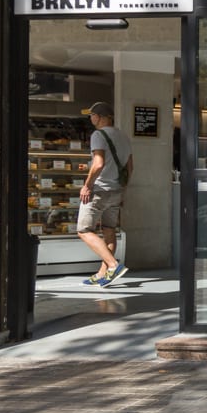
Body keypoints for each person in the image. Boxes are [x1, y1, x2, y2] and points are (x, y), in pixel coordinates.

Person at [77, 102, 132, 287]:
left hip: (99, 191)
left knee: (84, 230)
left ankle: (113, 265)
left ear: (100, 117)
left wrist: (87, 186)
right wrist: (123, 191)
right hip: (116, 191)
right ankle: (103, 274)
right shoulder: (123, 136)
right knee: (109, 230)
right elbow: (129, 167)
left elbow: (98, 163)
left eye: (92, 115)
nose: (91, 118)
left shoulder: (98, 135)